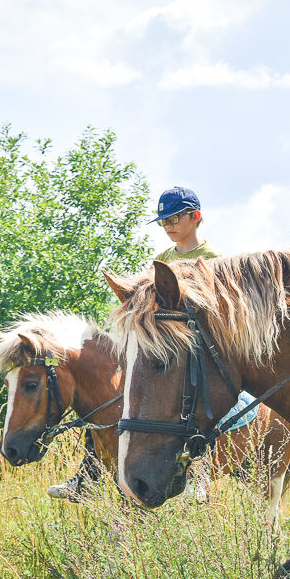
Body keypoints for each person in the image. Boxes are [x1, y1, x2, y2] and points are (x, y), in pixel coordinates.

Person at [47, 186, 222, 500]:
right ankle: (89, 474)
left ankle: (199, 472)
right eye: (163, 220)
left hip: (198, 346)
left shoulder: (212, 259)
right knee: (116, 395)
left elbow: (216, 311)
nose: (167, 225)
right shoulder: (163, 259)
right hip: (165, 343)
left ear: (195, 216)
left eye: (174, 218)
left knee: (198, 398)